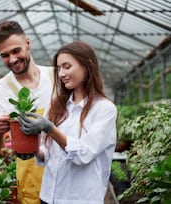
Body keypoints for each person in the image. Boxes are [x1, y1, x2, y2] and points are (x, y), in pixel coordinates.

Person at [18, 41, 117, 204]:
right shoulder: (56, 105)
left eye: (67, 66)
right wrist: (34, 150)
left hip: (80, 199)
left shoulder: (104, 110)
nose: (61, 74)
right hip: (48, 196)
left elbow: (84, 154)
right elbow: (48, 150)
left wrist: (50, 128)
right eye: (59, 69)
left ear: (87, 65)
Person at [0, 21, 54, 203]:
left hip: (66, 176)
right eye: (5, 55)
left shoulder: (57, 78)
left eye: (16, 51)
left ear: (28, 43)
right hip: (31, 181)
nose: (12, 59)